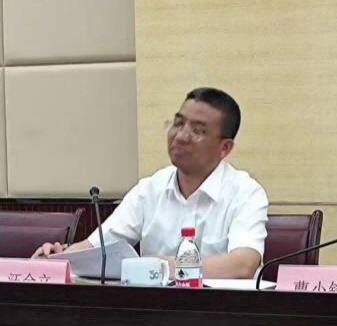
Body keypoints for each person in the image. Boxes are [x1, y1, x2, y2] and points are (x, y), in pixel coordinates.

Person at [35, 88, 268, 279]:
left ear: (225, 148)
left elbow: (243, 264)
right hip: (153, 314)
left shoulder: (245, 193)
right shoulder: (149, 189)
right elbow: (96, 248)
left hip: (219, 314)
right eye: (178, 124)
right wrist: (55, 259)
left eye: (197, 131)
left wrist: (162, 266)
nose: (180, 136)